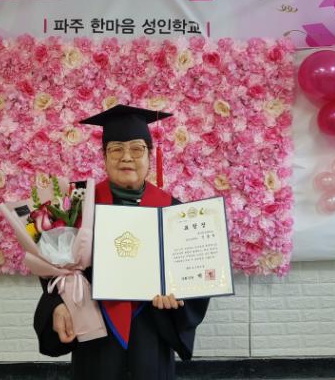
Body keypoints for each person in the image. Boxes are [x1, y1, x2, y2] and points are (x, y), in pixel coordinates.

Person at [34, 105, 210, 380]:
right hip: (95, 335)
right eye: (116, 149)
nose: (126, 157)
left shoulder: (173, 211)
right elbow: (54, 265)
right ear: (104, 157)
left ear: (150, 156)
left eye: (137, 149)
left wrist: (179, 295)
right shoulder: (77, 206)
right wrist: (56, 303)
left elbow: (193, 274)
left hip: (151, 332)